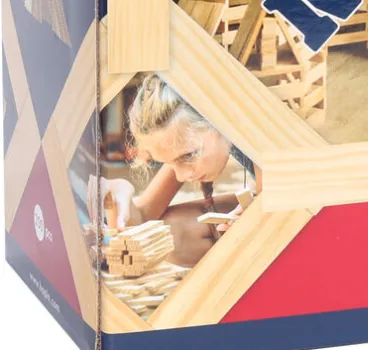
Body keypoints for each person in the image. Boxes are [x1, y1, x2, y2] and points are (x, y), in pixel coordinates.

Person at [90, 75, 254, 265]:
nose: (182, 175)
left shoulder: (258, 132)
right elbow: (144, 217)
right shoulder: (188, 135)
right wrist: (118, 197)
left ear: (217, 120)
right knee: (172, 233)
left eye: (188, 156)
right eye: (169, 162)